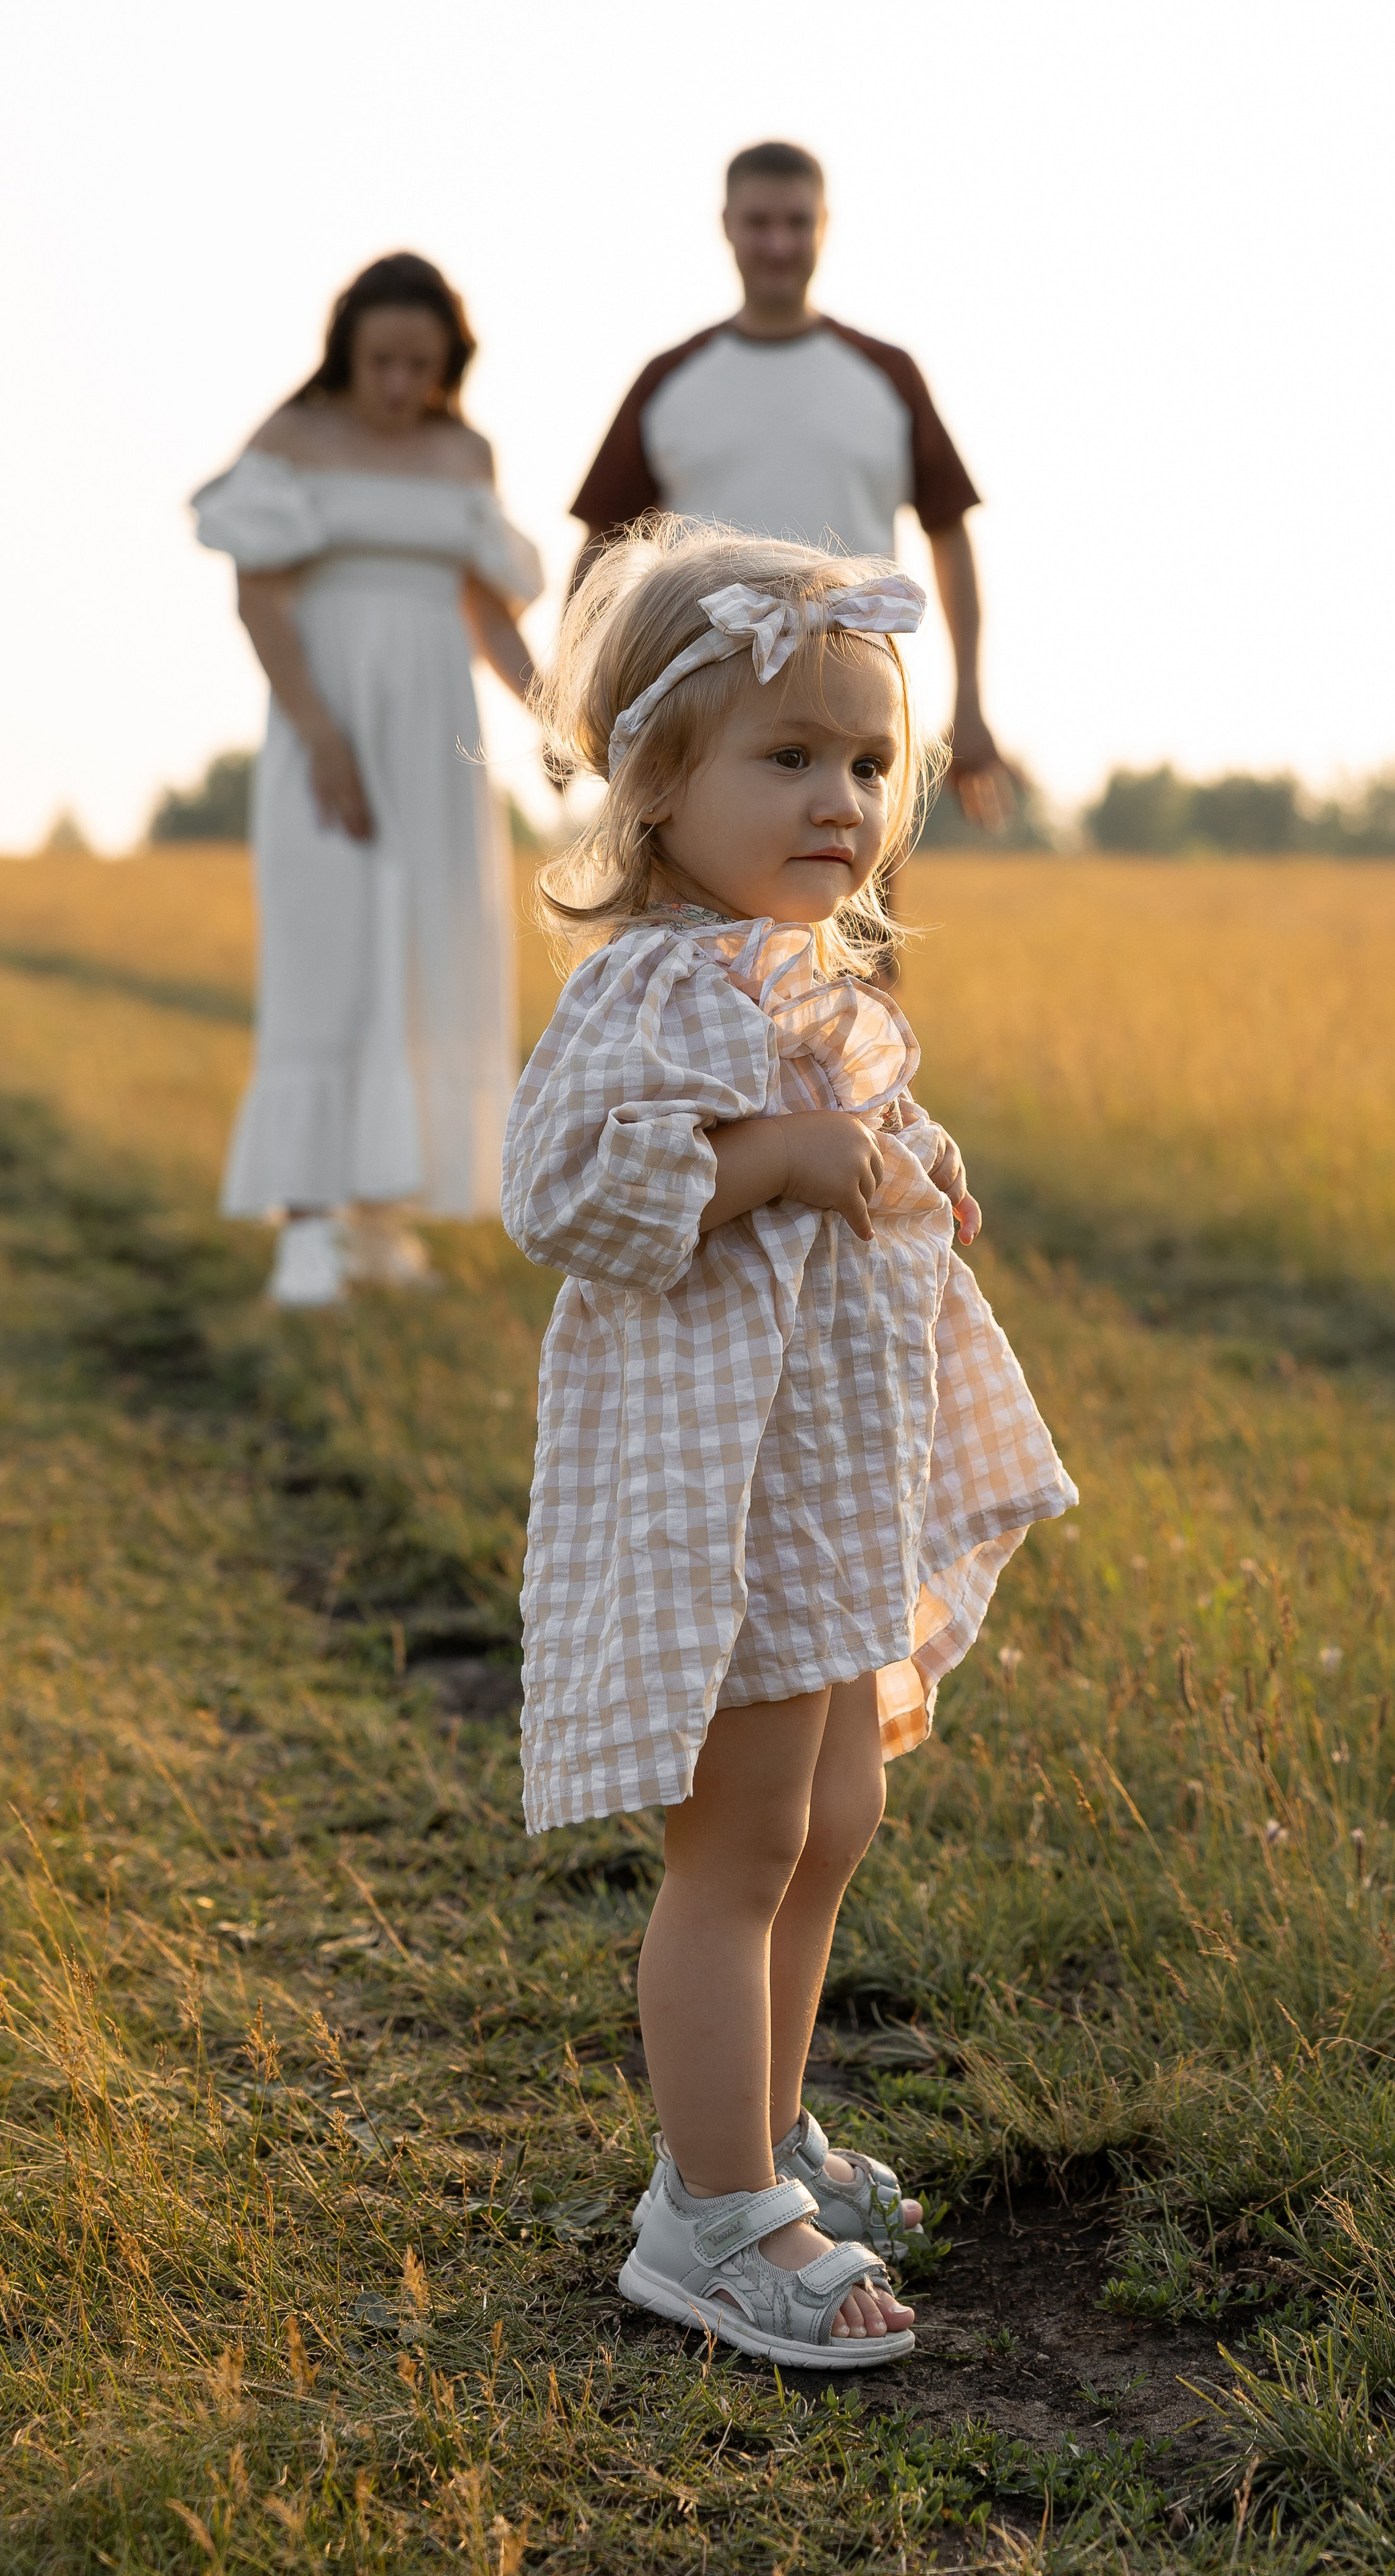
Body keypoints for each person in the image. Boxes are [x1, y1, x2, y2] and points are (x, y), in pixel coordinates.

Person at [502, 520, 1076, 2364]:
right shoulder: (655, 987)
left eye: (868, 761)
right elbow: (561, 1194)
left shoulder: (800, 978)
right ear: (658, 780)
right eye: (788, 755)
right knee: (739, 1840)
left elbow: (854, 1155)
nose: (841, 795)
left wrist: (910, 1164)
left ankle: (766, 2126)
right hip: (712, 1494)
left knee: (834, 1817)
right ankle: (711, 2213)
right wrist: (767, 1161)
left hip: (820, 1485)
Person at [192, 253, 544, 1306]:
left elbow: (490, 616)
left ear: (449, 366)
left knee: (434, 950)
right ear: (347, 351)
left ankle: (387, 1221)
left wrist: (561, 721)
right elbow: (260, 599)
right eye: (383, 361)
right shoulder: (293, 440)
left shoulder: (464, 451)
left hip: (438, 735)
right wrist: (318, 733)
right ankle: (307, 1225)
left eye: (421, 366)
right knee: (327, 955)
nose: (400, 385)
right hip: (324, 728)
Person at [569, 140, 1011, 830]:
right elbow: (603, 550)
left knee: (848, 923)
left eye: (796, 223)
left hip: (851, 712)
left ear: (824, 226)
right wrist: (575, 700)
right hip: (701, 720)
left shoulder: (888, 377)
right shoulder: (668, 381)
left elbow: (950, 538)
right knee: (695, 928)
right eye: (759, 223)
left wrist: (971, 705)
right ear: (727, 226)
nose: (778, 243)